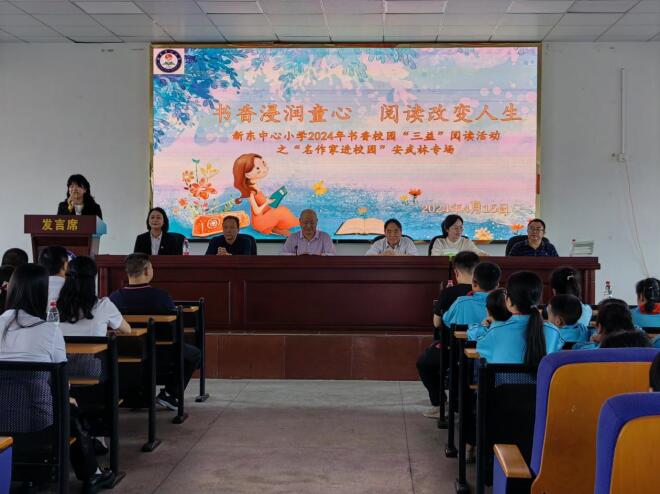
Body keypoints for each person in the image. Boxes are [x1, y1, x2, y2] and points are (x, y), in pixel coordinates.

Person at [0, 264, 114, 491]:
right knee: (71, 410)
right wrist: (66, 397)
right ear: (42, 293)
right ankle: (92, 474)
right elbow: (62, 382)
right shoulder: (48, 331)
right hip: (38, 422)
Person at [109, 253, 201, 411]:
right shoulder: (160, 297)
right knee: (193, 353)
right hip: (161, 355)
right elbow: (174, 329)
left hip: (124, 353)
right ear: (146, 270)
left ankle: (131, 395)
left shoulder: (114, 298)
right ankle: (171, 394)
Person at [417, 261, 500, 420]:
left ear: (474, 283)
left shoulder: (461, 302)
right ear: (497, 285)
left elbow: (446, 322)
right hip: (494, 359)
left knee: (425, 362)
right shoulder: (504, 303)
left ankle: (442, 405)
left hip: (459, 356)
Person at [474, 271, 563, 365]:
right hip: (543, 376)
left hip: (504, 375)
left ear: (509, 301)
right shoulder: (554, 331)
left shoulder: (495, 331)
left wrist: (484, 325)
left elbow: (480, 350)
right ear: (538, 300)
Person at [58, 256, 130, 337]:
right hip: (97, 345)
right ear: (93, 280)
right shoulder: (104, 306)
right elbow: (127, 330)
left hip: (63, 346)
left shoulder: (55, 306)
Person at [233, 153, 298, 236]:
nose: (264, 169)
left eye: (263, 163)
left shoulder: (254, 185)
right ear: (247, 174)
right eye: (257, 168)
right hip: (260, 221)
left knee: (281, 210)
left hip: (265, 215)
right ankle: (275, 227)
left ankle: (275, 229)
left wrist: (269, 199)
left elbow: (260, 200)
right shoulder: (249, 192)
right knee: (281, 210)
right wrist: (266, 202)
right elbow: (256, 211)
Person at [432, 251, 480, 330]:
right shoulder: (483, 292)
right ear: (478, 271)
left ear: (456, 272)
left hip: (451, 337)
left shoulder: (447, 292)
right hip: (479, 337)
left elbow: (437, 323)